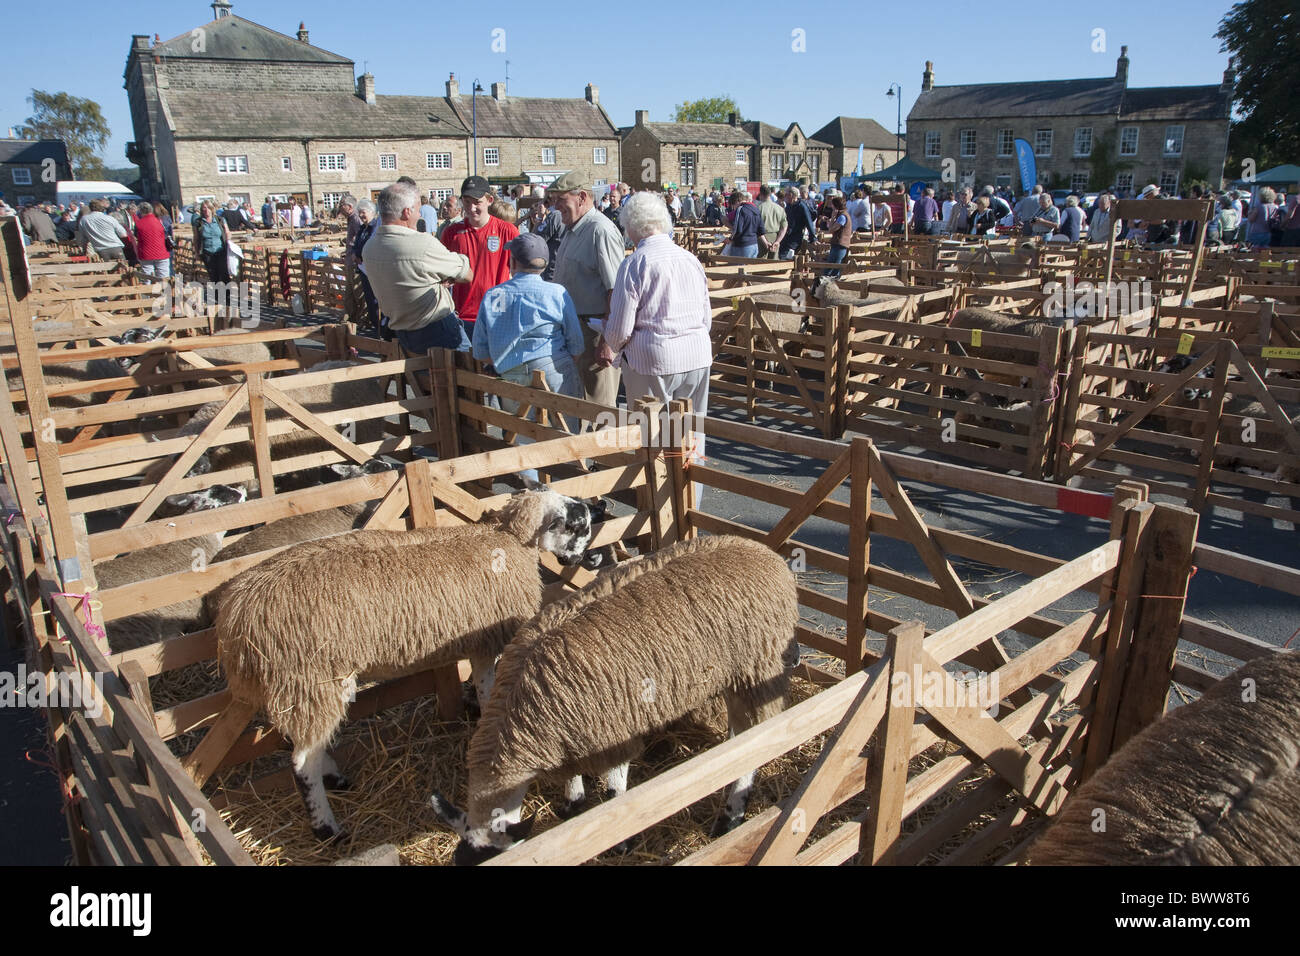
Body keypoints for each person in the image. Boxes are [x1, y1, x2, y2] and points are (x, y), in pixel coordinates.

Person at [605, 192, 713, 507]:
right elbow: (705, 316)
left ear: (630, 227)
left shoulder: (634, 262)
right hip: (696, 353)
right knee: (693, 429)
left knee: (655, 434)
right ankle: (691, 505)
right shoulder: (690, 259)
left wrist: (612, 344)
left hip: (654, 357)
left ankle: (663, 509)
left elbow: (620, 328)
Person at [472, 233, 585, 466]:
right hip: (553, 365)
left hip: (511, 371)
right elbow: (576, 343)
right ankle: (572, 488)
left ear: (512, 262)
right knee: (565, 432)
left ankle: (532, 492)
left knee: (521, 437)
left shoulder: (495, 295)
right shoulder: (557, 293)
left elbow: (480, 351)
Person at [361, 180, 475, 354]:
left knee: (423, 379)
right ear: (407, 212)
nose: (420, 214)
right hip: (437, 330)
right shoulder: (421, 244)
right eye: (417, 209)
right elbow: (467, 274)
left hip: (403, 331)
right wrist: (457, 261)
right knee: (469, 376)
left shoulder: (369, 247)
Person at [548, 170, 626, 408]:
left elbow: (617, 290)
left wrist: (608, 341)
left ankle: (608, 447)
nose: (555, 206)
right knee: (581, 403)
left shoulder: (600, 230)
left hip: (595, 333)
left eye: (560, 200)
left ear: (581, 197)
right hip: (575, 330)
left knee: (600, 406)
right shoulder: (573, 229)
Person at [440, 175, 519, 341]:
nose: (472, 208)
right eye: (467, 202)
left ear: (489, 200)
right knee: (465, 366)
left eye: (477, 202)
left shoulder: (508, 231)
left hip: (497, 315)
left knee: (494, 366)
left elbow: (519, 273)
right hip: (462, 315)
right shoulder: (451, 232)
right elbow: (443, 272)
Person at [351, 199, 382, 334]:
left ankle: (382, 328)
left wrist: (360, 254)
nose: (361, 216)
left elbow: (371, 245)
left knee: (376, 300)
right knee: (370, 300)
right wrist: (354, 254)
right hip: (363, 268)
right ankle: (376, 326)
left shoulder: (375, 227)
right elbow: (357, 244)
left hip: (372, 269)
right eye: (359, 213)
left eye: (363, 213)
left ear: (371, 212)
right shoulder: (363, 228)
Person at [191, 201, 231, 281]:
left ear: (212, 209)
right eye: (204, 208)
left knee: (224, 274)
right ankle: (216, 293)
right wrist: (196, 252)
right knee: (213, 275)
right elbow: (196, 238)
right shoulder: (198, 222)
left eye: (208, 208)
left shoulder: (220, 220)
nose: (206, 210)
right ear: (201, 210)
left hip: (221, 250)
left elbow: (227, 232)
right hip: (207, 252)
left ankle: (227, 293)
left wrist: (228, 240)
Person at [133, 202, 171, 278]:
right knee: (164, 276)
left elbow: (136, 236)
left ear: (140, 211)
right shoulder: (160, 221)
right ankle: (165, 289)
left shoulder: (138, 224)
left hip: (146, 253)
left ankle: (148, 289)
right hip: (161, 252)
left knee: (147, 276)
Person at [818, 195, 852, 278]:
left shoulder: (842, 217)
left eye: (832, 204)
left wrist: (833, 217)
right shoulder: (843, 215)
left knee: (832, 265)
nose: (831, 206)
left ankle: (826, 282)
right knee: (835, 265)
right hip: (839, 243)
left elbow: (831, 229)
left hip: (840, 244)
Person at [778, 187, 817, 259]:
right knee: (780, 253)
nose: (785, 196)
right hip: (787, 236)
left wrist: (813, 238)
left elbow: (809, 222)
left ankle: (785, 269)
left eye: (786, 194)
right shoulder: (788, 206)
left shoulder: (802, 206)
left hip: (795, 237)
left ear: (791, 195)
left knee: (784, 255)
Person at [757, 185, 787, 260]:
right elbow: (784, 227)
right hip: (775, 237)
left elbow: (756, 228)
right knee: (774, 265)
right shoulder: (780, 208)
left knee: (759, 265)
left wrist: (765, 242)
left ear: (760, 194)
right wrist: (778, 241)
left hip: (761, 238)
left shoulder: (758, 208)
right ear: (770, 194)